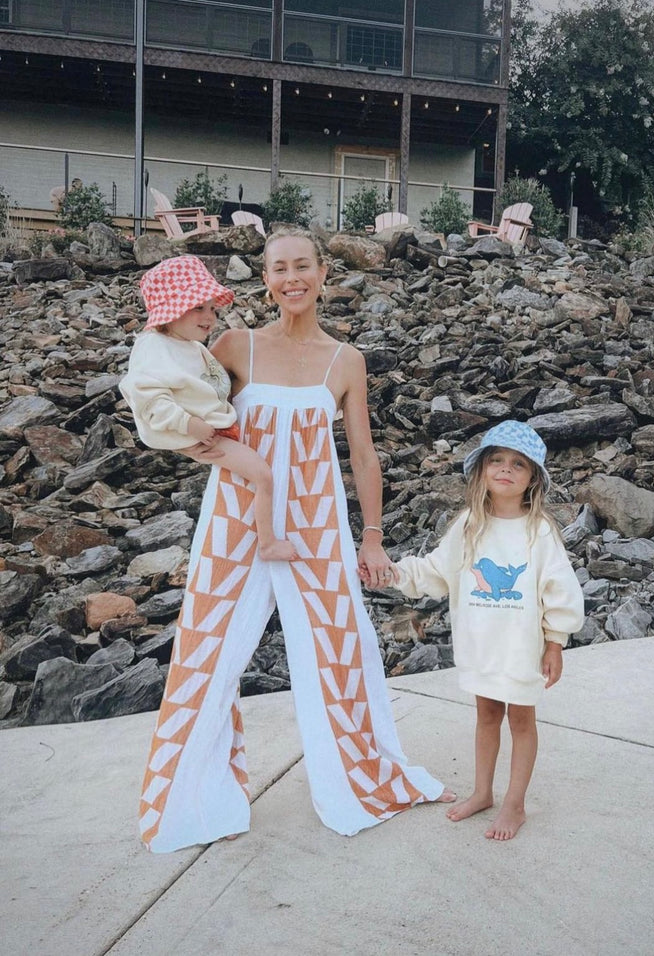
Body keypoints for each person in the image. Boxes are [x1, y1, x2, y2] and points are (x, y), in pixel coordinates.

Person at [137, 228, 452, 853]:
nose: (291, 278)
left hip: (316, 523)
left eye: (302, 266)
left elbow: (362, 455)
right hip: (234, 517)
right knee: (205, 648)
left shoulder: (346, 360)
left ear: (322, 273)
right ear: (265, 279)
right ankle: (185, 797)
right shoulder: (233, 344)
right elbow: (159, 387)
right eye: (279, 268)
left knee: (341, 647)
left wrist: (372, 539)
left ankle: (363, 778)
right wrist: (206, 450)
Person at [377, 421, 584, 841]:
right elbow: (436, 572)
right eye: (496, 461)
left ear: (532, 480)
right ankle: (483, 792)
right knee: (487, 715)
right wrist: (393, 573)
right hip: (481, 645)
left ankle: (515, 803)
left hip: (521, 649)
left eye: (518, 465)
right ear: (482, 471)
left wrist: (555, 642)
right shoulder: (469, 524)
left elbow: (559, 589)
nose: (505, 470)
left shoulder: (539, 532)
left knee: (521, 720)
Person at [119, 255, 296, 562]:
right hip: (203, 433)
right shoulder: (153, 346)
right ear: (170, 309)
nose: (209, 316)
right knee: (263, 475)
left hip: (211, 429)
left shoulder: (191, 346)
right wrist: (191, 428)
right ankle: (268, 543)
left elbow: (209, 385)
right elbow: (149, 399)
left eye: (212, 308)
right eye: (198, 307)